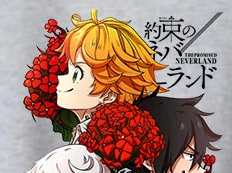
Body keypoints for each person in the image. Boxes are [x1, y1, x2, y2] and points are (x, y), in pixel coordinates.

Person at [54, 9, 167, 142]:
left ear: (108, 95)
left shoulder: (105, 142)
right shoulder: (83, 132)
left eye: (76, 74)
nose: (60, 78)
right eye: (68, 70)